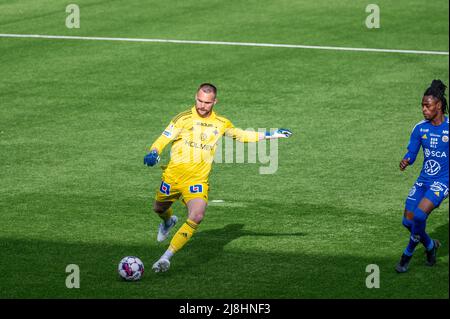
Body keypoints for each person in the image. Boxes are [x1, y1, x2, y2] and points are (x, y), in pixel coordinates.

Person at [144, 83, 292, 272]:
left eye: (207, 102)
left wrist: (271, 134)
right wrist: (154, 152)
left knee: (197, 216)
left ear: (215, 101)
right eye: (199, 100)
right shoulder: (183, 118)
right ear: (195, 97)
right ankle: (168, 221)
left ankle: (166, 258)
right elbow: (163, 138)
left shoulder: (221, 123)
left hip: (196, 181)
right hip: (172, 177)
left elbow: (241, 135)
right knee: (159, 208)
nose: (202, 106)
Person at [396, 79, 449, 273]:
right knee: (408, 222)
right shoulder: (420, 128)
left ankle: (407, 254)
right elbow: (412, 152)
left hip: (443, 181)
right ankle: (429, 245)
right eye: (422, 106)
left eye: (427, 106)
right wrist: (406, 160)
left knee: (419, 215)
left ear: (439, 105)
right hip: (423, 180)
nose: (423, 110)